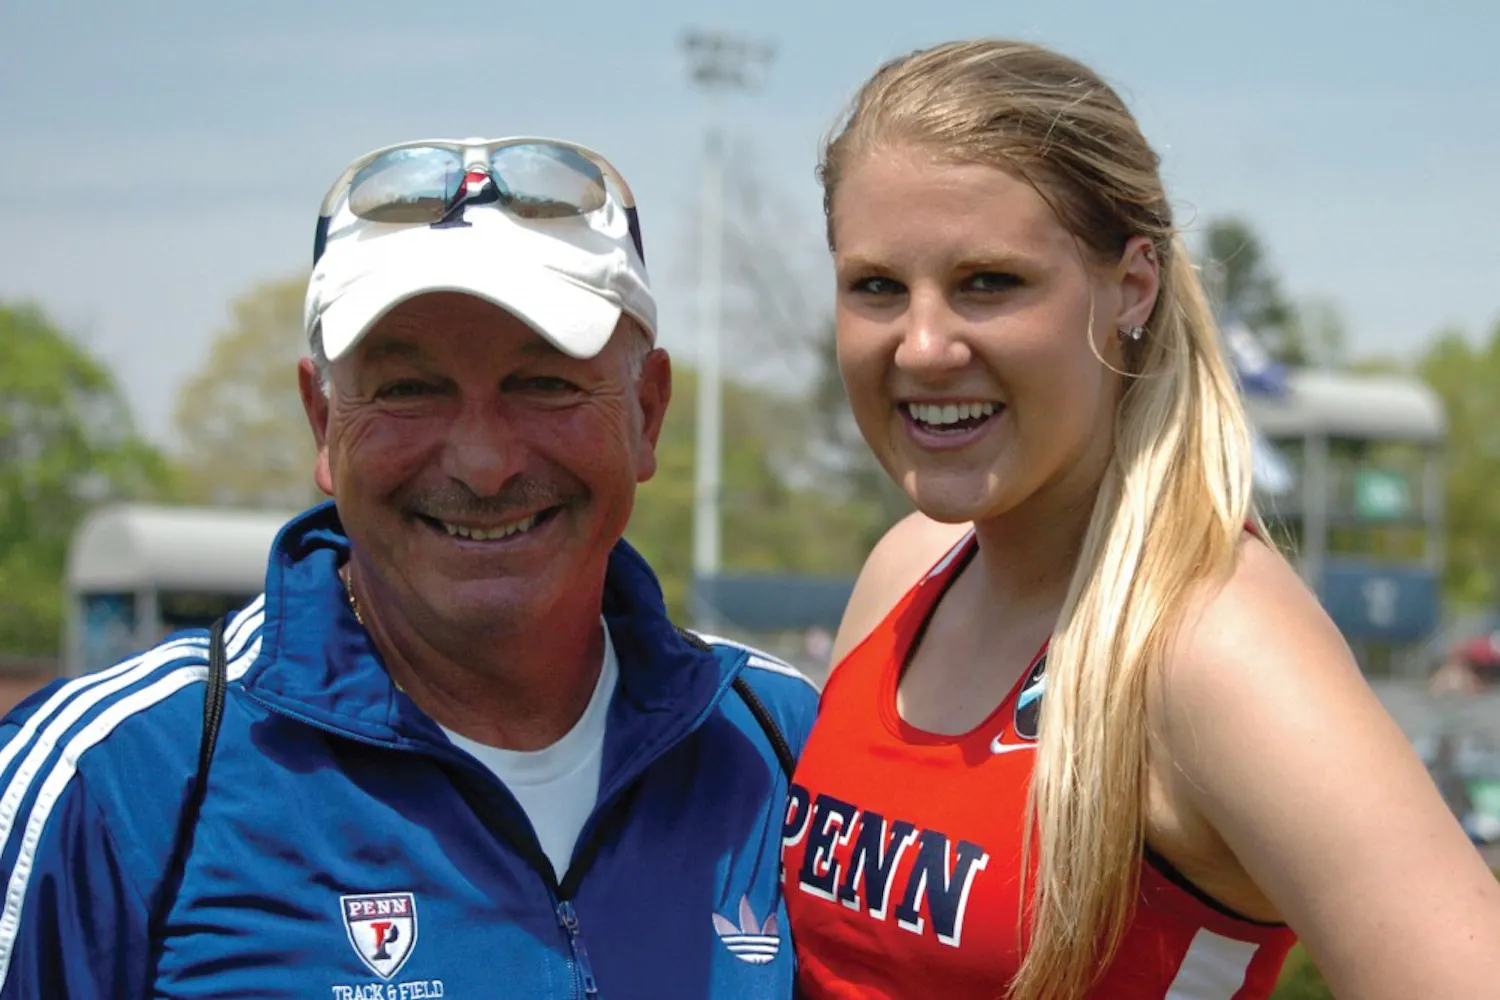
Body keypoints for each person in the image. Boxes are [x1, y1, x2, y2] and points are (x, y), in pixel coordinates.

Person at [0, 136, 817, 998]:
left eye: (544, 383)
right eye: (406, 390)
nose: (482, 463)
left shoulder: (777, 745)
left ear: (647, 414)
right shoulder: (117, 780)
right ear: (323, 420)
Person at [781, 40, 1500, 1000]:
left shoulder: (1213, 642)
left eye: (989, 282)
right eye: (875, 286)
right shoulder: (906, 569)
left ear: (1132, 286)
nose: (922, 345)